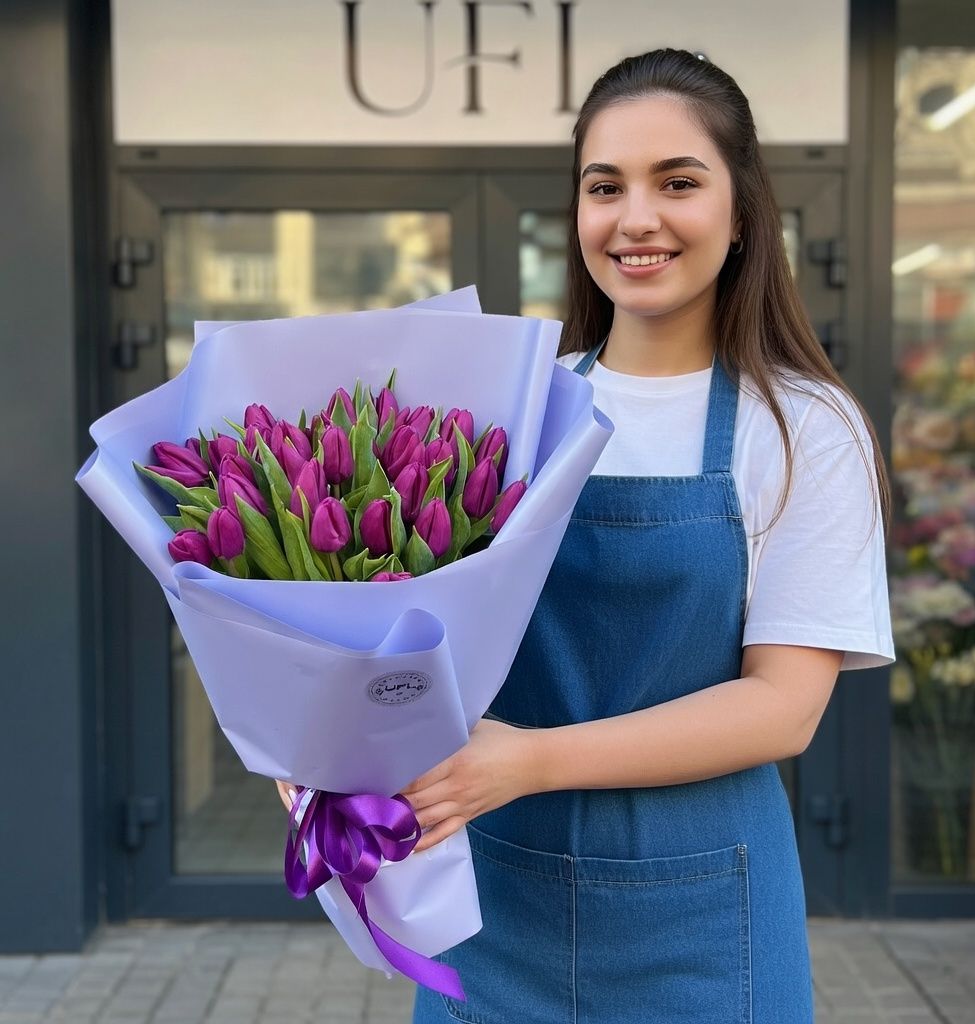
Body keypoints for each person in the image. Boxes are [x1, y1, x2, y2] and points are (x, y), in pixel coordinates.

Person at [280, 48, 894, 1023]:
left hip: (705, 925)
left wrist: (528, 761)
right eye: (605, 187)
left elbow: (783, 708)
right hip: (493, 911)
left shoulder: (802, 427)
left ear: (741, 211)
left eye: (677, 182)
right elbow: (406, 633)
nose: (635, 218)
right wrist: (329, 740)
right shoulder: (512, 407)